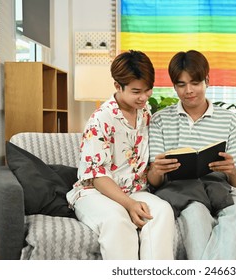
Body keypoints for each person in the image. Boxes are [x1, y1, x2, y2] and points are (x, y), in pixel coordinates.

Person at [66, 50, 175, 260]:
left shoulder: (145, 114)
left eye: (147, 90)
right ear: (117, 86)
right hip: (96, 193)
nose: (143, 97)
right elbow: (97, 176)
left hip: (135, 190)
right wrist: (129, 204)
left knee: (162, 211)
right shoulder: (101, 119)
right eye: (136, 91)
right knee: (117, 221)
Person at [147, 50, 236, 260]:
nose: (188, 91)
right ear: (174, 86)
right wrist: (157, 171)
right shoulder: (160, 120)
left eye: (194, 83)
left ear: (207, 81)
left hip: (219, 188)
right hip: (182, 191)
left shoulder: (228, 120)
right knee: (196, 216)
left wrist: (231, 170)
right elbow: (154, 181)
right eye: (181, 84)